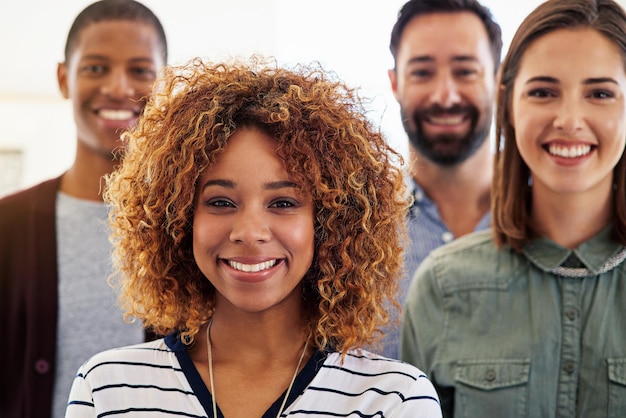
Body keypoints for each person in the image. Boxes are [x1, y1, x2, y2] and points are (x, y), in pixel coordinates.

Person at [64, 57, 443, 417]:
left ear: (329, 223)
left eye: (281, 202)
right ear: (178, 218)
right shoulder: (108, 390)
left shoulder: (393, 400)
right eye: (221, 201)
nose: (248, 232)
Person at [401, 0, 626, 416]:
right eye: (543, 91)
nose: (570, 119)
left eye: (600, 93)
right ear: (507, 103)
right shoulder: (441, 284)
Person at [0, 1, 167, 417]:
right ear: (63, 78)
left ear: (164, 82)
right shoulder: (7, 226)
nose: (118, 87)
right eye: (95, 68)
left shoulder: (192, 225)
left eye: (141, 70)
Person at [382, 0, 502, 359]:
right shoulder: (355, 232)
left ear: (497, 80)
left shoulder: (551, 215)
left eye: (465, 71)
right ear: (395, 83)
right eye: (422, 72)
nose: (444, 96)